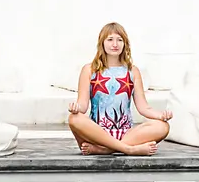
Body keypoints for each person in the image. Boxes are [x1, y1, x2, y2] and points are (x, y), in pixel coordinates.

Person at [68, 22, 172, 156]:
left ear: (125, 44)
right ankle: (129, 149)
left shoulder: (132, 71)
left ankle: (107, 150)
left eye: (119, 40)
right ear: (102, 43)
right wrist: (76, 108)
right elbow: (82, 105)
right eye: (110, 40)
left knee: (163, 127)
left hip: (126, 134)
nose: (115, 44)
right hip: (97, 135)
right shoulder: (89, 70)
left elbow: (143, 107)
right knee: (74, 119)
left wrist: (160, 115)